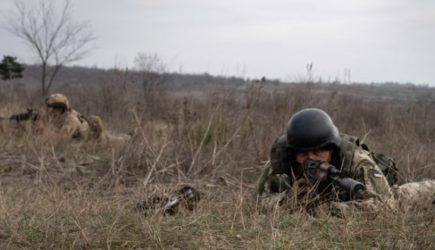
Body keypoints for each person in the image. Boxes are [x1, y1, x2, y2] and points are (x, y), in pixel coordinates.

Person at [256, 108, 435, 215]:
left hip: (357, 193)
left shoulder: (356, 160)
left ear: (331, 149)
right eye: (303, 154)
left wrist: (329, 211)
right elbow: (259, 201)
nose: (311, 159)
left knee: (401, 198)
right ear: (292, 152)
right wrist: (290, 201)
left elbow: (385, 206)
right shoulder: (281, 161)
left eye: (318, 152)